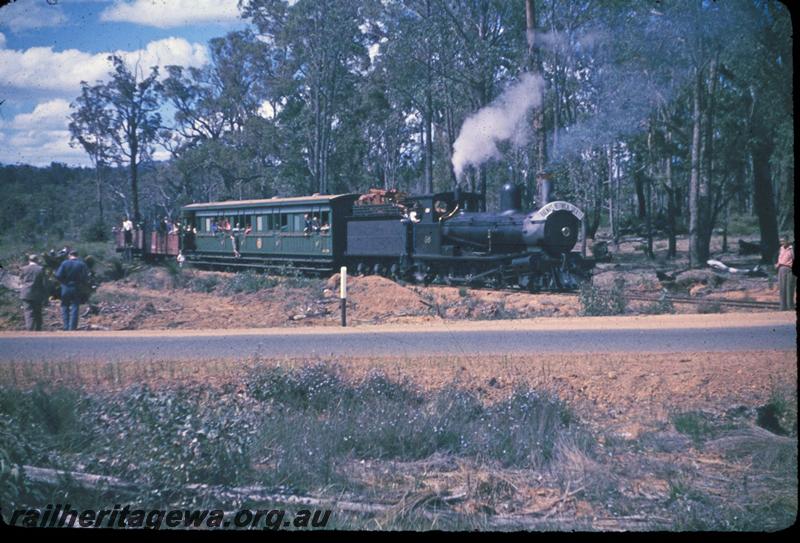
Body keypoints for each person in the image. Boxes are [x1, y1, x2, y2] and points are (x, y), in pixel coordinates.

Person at [54, 249, 90, 331]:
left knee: (64, 306)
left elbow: (58, 275)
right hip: (76, 287)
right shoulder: (81, 264)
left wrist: (63, 282)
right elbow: (85, 277)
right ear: (77, 255)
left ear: (69, 255)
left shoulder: (64, 263)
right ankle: (72, 327)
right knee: (75, 306)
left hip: (65, 287)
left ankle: (66, 326)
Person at [19, 254, 48, 331]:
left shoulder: (23, 269)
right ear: (37, 260)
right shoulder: (41, 269)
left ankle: (30, 328)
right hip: (37, 293)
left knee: (28, 312)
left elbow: (20, 280)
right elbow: (44, 283)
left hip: (26, 293)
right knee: (37, 311)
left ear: (29, 260)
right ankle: (38, 329)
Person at [775, 236, 795, 311]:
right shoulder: (781, 248)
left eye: (783, 241)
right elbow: (779, 258)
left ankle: (790, 306)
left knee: (789, 287)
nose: (782, 243)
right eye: (781, 241)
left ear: (787, 241)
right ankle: (783, 306)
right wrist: (777, 265)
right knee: (782, 288)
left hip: (789, 269)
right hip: (781, 268)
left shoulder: (792, 249)